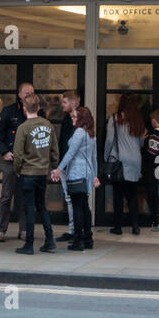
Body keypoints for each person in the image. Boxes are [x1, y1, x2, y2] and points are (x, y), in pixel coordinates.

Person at [11, 93, 61, 255]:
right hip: (42, 173)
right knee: (42, 206)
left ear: (24, 108)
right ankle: (50, 240)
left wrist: (18, 170)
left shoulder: (23, 128)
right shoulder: (48, 125)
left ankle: (29, 244)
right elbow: (54, 150)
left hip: (27, 172)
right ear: (38, 107)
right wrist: (54, 166)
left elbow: (18, 154)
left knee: (29, 208)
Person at [0, 83, 35, 242]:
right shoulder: (9, 111)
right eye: (26, 92)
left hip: (29, 161)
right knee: (6, 196)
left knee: (25, 196)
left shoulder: (38, 112)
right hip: (11, 160)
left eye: (32, 92)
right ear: (19, 94)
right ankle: (1, 230)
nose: (29, 95)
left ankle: (23, 230)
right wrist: (4, 151)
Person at [57, 106, 100, 251]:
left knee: (77, 208)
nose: (72, 119)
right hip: (87, 174)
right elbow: (94, 158)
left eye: (75, 117)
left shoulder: (79, 133)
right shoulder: (91, 134)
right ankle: (88, 239)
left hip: (76, 172)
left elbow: (70, 153)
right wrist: (95, 175)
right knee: (84, 207)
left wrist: (59, 169)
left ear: (81, 118)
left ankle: (78, 240)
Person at [104, 93, 146, 235]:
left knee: (118, 195)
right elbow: (141, 143)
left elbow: (110, 141)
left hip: (120, 161)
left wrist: (106, 158)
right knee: (132, 195)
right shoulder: (138, 121)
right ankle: (135, 227)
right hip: (135, 161)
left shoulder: (114, 119)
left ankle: (118, 227)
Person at [56, 90, 80, 242]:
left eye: (65, 102)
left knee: (77, 199)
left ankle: (77, 230)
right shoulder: (66, 120)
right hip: (65, 164)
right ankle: (73, 230)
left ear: (73, 103)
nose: (62, 105)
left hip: (75, 165)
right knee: (69, 198)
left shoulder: (80, 121)